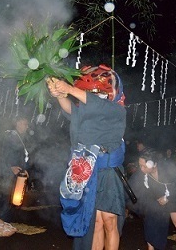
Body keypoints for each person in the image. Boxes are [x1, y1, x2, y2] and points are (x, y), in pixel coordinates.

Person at [47, 64, 126, 250]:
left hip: (109, 172)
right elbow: (72, 111)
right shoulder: (88, 112)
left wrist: (67, 88)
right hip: (91, 172)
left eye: (100, 92)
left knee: (109, 221)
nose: (96, 95)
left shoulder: (116, 110)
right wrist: (60, 94)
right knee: (96, 222)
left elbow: (96, 105)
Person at [127, 148, 176, 250]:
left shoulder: (167, 169)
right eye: (140, 166)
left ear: (154, 164)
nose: (141, 169)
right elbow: (131, 187)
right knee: (150, 223)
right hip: (156, 199)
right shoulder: (142, 172)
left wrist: (167, 198)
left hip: (173, 195)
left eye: (144, 166)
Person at [0, 116, 30, 237]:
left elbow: (22, 156)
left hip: (17, 174)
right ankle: (0, 224)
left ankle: (5, 222)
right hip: (8, 173)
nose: (25, 126)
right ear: (17, 123)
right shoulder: (11, 136)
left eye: (26, 124)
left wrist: (25, 170)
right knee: (7, 197)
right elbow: (3, 154)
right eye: (23, 123)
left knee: (15, 198)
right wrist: (10, 167)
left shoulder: (20, 138)